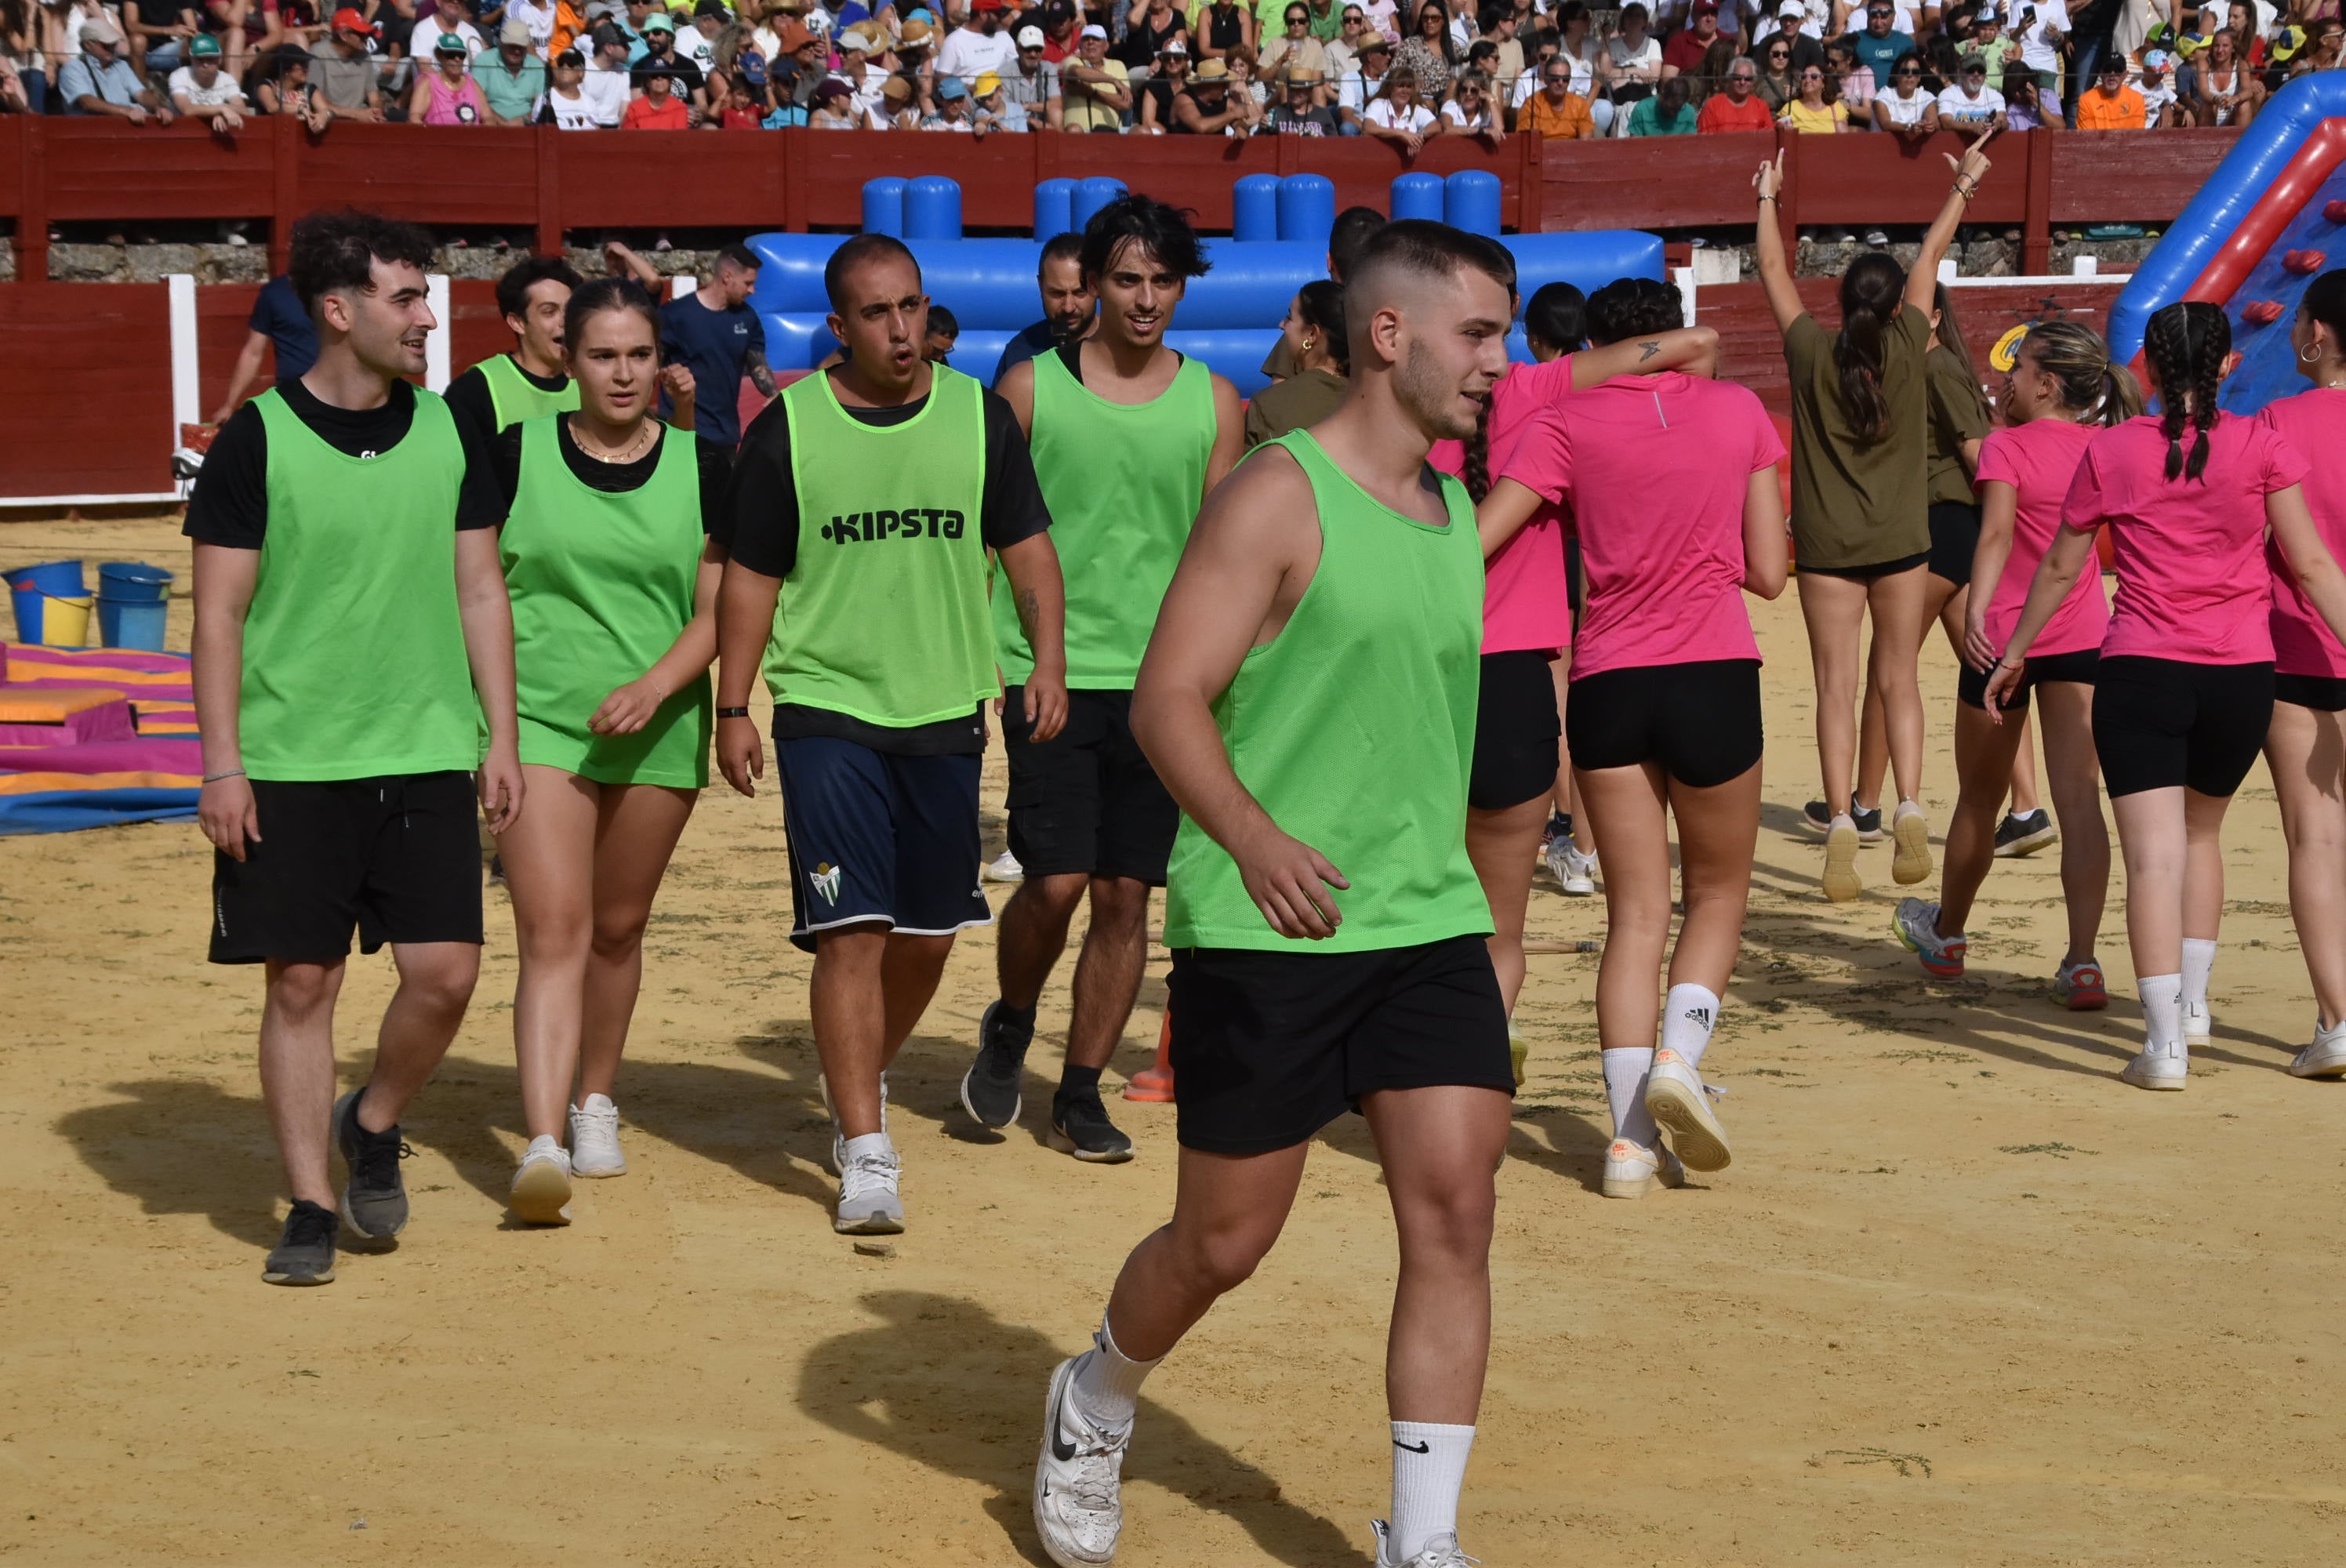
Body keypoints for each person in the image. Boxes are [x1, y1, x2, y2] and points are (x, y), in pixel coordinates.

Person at [1029, 218, 1516, 1568]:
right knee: (1223, 1243)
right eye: (1479, 334)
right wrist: (1249, 839)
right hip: (1270, 927)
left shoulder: (1452, 514)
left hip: (1425, 922)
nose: (1500, 361)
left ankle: (1424, 1539)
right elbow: (1168, 698)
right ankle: (1095, 1394)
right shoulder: (1275, 495)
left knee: (1456, 1212)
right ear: (1389, 335)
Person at [185, 209, 522, 1287]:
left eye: (425, 297)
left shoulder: (449, 430)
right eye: (406, 298)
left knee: (447, 974)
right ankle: (310, 1205)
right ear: (338, 311)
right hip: (292, 758)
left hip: (425, 745)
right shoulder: (257, 440)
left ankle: (372, 1117)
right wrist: (223, 764)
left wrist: (502, 736)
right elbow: (218, 615)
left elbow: (481, 588)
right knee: (301, 984)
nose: (428, 318)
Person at [714, 234, 1069, 1233]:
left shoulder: (978, 415)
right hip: (826, 709)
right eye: (876, 313)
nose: (901, 328)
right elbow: (751, 577)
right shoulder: (789, 428)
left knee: (926, 935)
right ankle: (866, 1147)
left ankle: (856, 1074)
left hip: (946, 707)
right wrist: (734, 705)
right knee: (851, 930)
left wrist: (1045, 661)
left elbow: (1029, 550)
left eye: (910, 305)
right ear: (839, 325)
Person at [1474, 276, 1785, 1200]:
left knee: (1634, 916)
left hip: (1607, 676)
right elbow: (1770, 571)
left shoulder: (1562, 422)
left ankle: (1626, 1144)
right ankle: (1678, 1060)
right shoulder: (1738, 411)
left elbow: (1486, 536)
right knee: (1717, 894)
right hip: (1714, 666)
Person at [1986, 301, 2346, 1090]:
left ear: (2146, 366)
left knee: (2153, 858)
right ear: (2228, 365)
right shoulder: (2261, 443)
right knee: (2201, 836)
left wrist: (2013, 652)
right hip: (2241, 672)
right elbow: (2314, 566)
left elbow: (2061, 566)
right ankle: (2194, 1009)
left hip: (2143, 667)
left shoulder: (2112, 448)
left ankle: (2164, 1046)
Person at [971, 196, 1244, 1163]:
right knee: (1054, 883)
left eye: (1162, 280)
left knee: (1126, 895)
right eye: (1126, 279)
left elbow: (1224, 556)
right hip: (1048, 671)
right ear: (1090, 284)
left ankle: (1079, 1091)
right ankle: (1011, 1016)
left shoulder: (1215, 402)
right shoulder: (1028, 389)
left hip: (1164, 686)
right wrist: (992, 660)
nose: (1145, 298)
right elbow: (985, 534)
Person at [1436, 280, 1721, 1082]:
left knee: (1408, 907)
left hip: (1411, 668)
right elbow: (1697, 345)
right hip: (1513, 673)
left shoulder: (1399, 411)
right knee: (1500, 926)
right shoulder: (1535, 389)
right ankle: (1473, 1066)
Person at [482, 279, 721, 1225]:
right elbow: (478, 587)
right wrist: (494, 732)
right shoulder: (512, 452)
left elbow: (722, 609)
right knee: (554, 929)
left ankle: (595, 1101)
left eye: (637, 355)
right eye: (601, 355)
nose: (622, 374)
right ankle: (542, 1138)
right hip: (540, 723)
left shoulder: (707, 464)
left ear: (660, 360)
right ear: (567, 360)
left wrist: (654, 688)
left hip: (660, 722)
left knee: (618, 927)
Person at [1756, 131, 1994, 900]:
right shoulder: (1911, 342)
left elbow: (1771, 270)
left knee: (1833, 685)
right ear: (1896, 306)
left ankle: (1839, 820)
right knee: (1898, 679)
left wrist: (1767, 198)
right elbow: (1931, 257)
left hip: (1828, 545)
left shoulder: (1809, 351)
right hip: (1901, 540)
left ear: (1841, 300)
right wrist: (1963, 186)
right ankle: (1910, 803)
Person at [1893, 321, 2138, 1013]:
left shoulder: (2007, 445)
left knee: (1979, 798)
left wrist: (1977, 613)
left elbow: (1997, 533)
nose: (2008, 379)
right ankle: (2083, 961)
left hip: (2002, 638)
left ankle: (1948, 935)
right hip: (2081, 636)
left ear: (2047, 383)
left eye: (2020, 368)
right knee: (2079, 802)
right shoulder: (2103, 445)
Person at [1842, 286, 1992, 847]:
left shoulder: (1934, 368)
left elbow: (1978, 454)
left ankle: (1865, 804)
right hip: (1957, 525)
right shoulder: (1935, 365)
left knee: (1889, 664)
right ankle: (2026, 807)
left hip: (1940, 524)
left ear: (1934, 317)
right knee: (1985, 665)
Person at [2259, 270, 2346, 1077]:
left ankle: (2338, 1019)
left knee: (2315, 836)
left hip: (2301, 648)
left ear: (2317, 334)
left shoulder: (2278, 422)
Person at [446, 256, 584, 445]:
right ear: (517, 322)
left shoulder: (589, 379)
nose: (564, 322)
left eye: (569, 311)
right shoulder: (477, 389)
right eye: (549, 312)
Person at [659, 241, 775, 456]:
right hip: (683, 430)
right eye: (748, 283)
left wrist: (774, 395)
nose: (752, 290)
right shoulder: (675, 315)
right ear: (727, 277)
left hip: (725, 435)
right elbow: (651, 364)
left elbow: (758, 365)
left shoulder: (747, 318)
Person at [1244, 280, 1349, 445]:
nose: (1282, 325)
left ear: (1312, 334)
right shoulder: (1376, 400)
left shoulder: (1266, 407)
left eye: (1289, 317)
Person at [212, 274, 318, 426]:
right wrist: (230, 404)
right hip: (292, 398)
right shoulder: (274, 293)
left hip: (338, 395)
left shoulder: (341, 287)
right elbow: (253, 353)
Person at [994, 233, 1098, 381]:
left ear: (1096, 286)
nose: (1068, 307)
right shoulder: (1019, 353)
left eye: (1079, 293)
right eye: (1057, 294)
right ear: (1040, 286)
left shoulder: (1119, 349)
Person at [62, 20, 176, 115]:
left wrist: (158, 108)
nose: (112, 48)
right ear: (88, 45)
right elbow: (87, 102)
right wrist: (126, 112)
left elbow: (141, 93)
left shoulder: (121, 65)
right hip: (91, 130)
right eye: (106, 45)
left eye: (114, 44)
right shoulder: (73, 68)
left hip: (123, 126)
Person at [1057, 20, 1130, 127]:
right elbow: (1078, 72)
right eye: (1086, 39)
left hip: (1109, 132)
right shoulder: (1072, 61)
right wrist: (1113, 80)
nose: (1090, 42)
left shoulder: (1118, 65)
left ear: (1106, 46)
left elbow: (1125, 103)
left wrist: (1093, 93)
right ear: (1080, 46)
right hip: (1076, 132)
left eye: (1096, 39)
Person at [169, 31, 251, 123]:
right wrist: (221, 109)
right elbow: (187, 109)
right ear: (191, 59)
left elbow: (243, 110)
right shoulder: (179, 76)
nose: (205, 64)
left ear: (220, 60)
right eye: (200, 59)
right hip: (184, 129)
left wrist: (221, 114)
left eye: (210, 59)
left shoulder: (227, 79)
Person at [411, 27, 491, 116]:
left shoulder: (473, 84)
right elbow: (414, 117)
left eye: (461, 55)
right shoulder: (428, 83)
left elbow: (488, 118)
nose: (457, 59)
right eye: (451, 55)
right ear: (439, 56)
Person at [1697, 51, 1776, 125]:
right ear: (1729, 78)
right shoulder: (1713, 106)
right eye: (1737, 78)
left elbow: (1768, 134)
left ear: (1753, 81)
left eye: (1748, 79)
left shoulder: (1761, 107)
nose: (1742, 82)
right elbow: (1705, 135)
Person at [1871, 45, 1937, 130]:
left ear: (1919, 77)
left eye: (1915, 72)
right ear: (1896, 76)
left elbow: (1933, 123)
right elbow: (1886, 125)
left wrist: (1928, 127)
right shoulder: (1883, 96)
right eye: (1905, 71)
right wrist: (1909, 127)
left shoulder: (1926, 97)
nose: (1910, 75)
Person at [1937, 52, 2007, 126]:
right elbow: (1946, 123)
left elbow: (2003, 121)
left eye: (1981, 70)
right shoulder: (1947, 94)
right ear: (1960, 72)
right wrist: (1972, 127)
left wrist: (1998, 123)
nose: (1976, 74)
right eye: (1971, 70)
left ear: (1985, 75)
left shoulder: (1995, 96)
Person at [1778, 57, 1850, 124]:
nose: (1807, 80)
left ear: (1824, 83)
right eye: (1804, 76)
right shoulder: (1790, 109)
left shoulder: (1836, 108)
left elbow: (1843, 134)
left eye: (1814, 76)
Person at [1624, 68, 1696, 129]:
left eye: (1676, 109)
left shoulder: (1689, 112)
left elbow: (1690, 141)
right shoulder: (1642, 110)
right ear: (1662, 95)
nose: (1672, 112)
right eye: (1671, 108)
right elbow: (1634, 141)